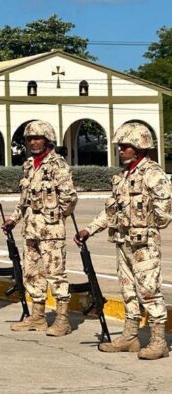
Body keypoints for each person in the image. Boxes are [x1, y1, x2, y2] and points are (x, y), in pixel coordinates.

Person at [75, 122, 171, 360]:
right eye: (120, 146)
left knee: (149, 292)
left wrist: (146, 226)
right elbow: (111, 212)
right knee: (128, 291)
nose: (120, 150)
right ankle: (130, 337)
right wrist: (89, 229)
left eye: (125, 146)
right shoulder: (122, 178)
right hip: (123, 242)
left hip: (144, 246)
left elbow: (165, 213)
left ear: (139, 147)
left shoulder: (153, 174)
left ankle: (159, 341)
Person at [2, 120, 77, 336]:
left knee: (56, 274)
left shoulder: (57, 165)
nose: (33, 142)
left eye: (37, 138)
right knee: (32, 273)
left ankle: (63, 319)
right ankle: (38, 316)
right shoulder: (29, 166)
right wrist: (14, 220)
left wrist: (55, 217)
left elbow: (70, 198)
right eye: (29, 139)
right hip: (31, 231)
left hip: (51, 231)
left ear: (47, 139)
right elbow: (24, 201)